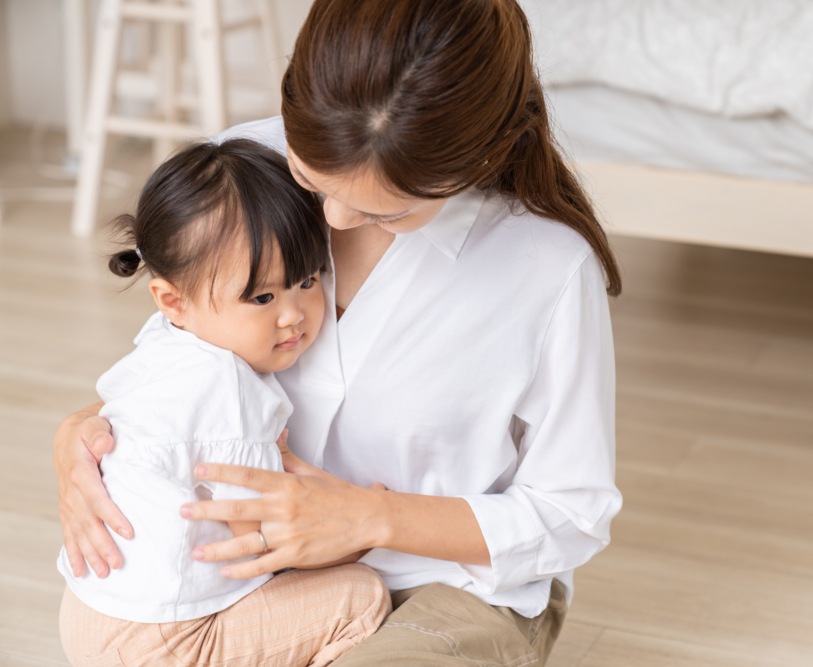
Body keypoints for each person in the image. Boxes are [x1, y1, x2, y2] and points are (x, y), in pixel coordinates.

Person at [53, 0, 622, 664]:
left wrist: (370, 518)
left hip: (446, 582)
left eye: (390, 211)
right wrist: (83, 432)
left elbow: (572, 513)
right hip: (256, 578)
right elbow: (192, 354)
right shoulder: (245, 172)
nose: (335, 220)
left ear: (475, 162)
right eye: (310, 177)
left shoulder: (545, 266)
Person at [57, 139, 390, 667]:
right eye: (262, 297)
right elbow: (264, 542)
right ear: (173, 300)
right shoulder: (232, 394)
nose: (293, 314)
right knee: (361, 594)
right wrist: (360, 533)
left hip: (88, 607)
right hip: (166, 639)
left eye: (307, 280)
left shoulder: (164, 340)